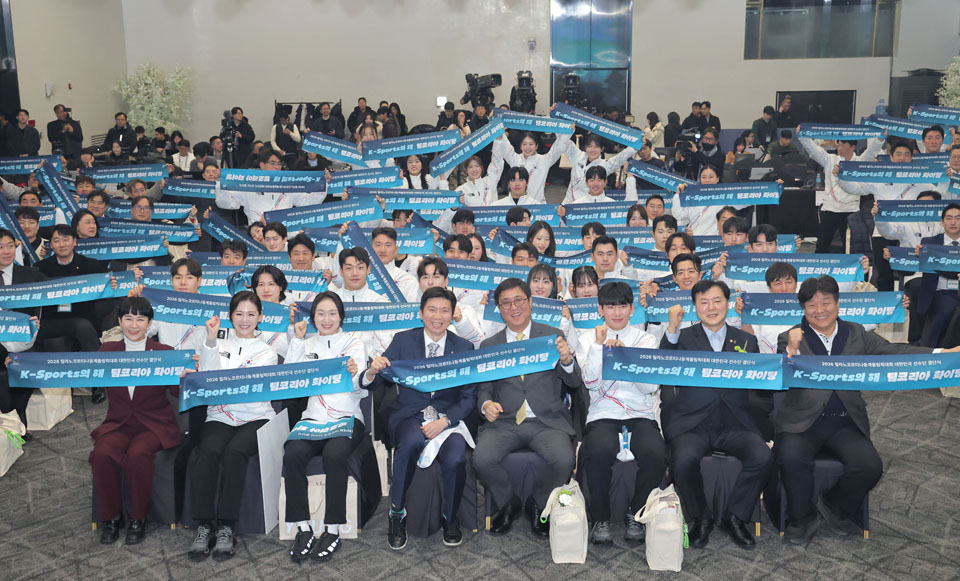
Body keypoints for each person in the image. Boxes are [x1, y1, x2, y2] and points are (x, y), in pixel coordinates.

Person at [775, 275, 958, 544]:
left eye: (826, 302)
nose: (820, 310)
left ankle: (834, 504)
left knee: (870, 467)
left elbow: (894, 352)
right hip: (802, 422)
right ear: (803, 308)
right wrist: (790, 350)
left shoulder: (856, 333)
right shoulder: (790, 337)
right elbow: (780, 373)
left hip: (843, 421)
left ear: (838, 303)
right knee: (791, 458)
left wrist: (943, 354)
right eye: (812, 305)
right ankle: (801, 518)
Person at [659, 280, 773, 550]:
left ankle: (735, 516)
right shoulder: (682, 338)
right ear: (695, 307)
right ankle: (701, 518)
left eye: (717, 301)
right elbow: (663, 365)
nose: (711, 307)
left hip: (735, 422)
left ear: (728, 303)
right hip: (693, 423)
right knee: (683, 460)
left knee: (762, 456)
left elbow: (760, 384)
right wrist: (672, 328)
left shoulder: (746, 340)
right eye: (704, 302)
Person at [364, 287, 477, 550]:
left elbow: (469, 396)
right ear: (421, 313)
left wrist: (446, 421)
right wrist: (372, 370)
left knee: (456, 457)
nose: (438, 316)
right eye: (432, 310)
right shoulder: (403, 340)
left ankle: (450, 516)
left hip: (447, 420)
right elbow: (379, 379)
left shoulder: (464, 347)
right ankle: (397, 512)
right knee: (410, 443)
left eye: (444, 311)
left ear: (452, 314)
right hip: (410, 415)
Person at [473, 278, 580, 537]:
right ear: (499, 309)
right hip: (505, 422)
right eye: (506, 303)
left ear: (530, 302)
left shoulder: (553, 336)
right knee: (481, 459)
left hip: (546, 421)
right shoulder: (490, 345)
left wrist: (566, 360)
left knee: (564, 459)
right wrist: (486, 404)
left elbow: (574, 382)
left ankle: (538, 502)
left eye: (519, 300)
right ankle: (508, 503)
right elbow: (484, 388)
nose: (514, 307)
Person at [188, 291, 279, 561]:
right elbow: (208, 377)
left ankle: (227, 526)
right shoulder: (217, 344)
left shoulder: (267, 352)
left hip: (255, 416)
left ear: (260, 317)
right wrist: (210, 340)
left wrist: (220, 383)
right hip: (220, 415)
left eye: (251, 314)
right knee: (208, 450)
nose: (245, 320)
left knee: (235, 452)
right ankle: (204, 524)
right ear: (230, 316)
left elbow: (246, 387)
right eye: (239, 314)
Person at [575, 282, 664, 544]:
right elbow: (591, 383)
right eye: (610, 306)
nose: (617, 312)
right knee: (598, 450)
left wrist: (625, 357)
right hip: (603, 412)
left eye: (623, 306)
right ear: (600, 309)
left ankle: (636, 513)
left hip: (640, 413)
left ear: (632, 309)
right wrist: (600, 347)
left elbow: (650, 387)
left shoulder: (646, 340)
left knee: (656, 453)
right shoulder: (587, 339)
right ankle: (600, 518)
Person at [283, 291, 367, 563]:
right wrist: (296, 340)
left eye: (332, 313)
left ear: (341, 316)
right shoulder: (306, 343)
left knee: (335, 454)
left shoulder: (354, 343)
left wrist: (355, 373)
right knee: (292, 453)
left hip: (347, 417)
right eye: (320, 313)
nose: (326, 319)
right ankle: (303, 528)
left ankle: (332, 529)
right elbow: (290, 381)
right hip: (313, 418)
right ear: (313, 317)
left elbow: (361, 389)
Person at [89, 297, 180, 545]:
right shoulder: (107, 352)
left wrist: (185, 375)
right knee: (102, 454)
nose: (134, 325)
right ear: (119, 321)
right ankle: (111, 518)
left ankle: (138, 519)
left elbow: (177, 392)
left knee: (139, 454)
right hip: (118, 423)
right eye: (128, 318)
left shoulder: (165, 353)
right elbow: (74, 372)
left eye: (140, 319)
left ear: (150, 324)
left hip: (153, 424)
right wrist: (21, 366)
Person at [837, 139, 942, 291]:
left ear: (911, 158)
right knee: (884, 274)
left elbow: (938, 196)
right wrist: (840, 176)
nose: (902, 157)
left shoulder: (921, 180)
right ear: (891, 157)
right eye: (898, 154)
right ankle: (887, 303)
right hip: (882, 232)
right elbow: (855, 188)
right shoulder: (880, 177)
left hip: (909, 234)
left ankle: (908, 300)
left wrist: (946, 178)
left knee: (908, 272)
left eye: (906, 154)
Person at [798, 127, 883, 254]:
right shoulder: (830, 159)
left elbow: (871, 152)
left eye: (843, 144)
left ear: (853, 147)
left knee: (849, 248)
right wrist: (802, 135)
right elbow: (813, 150)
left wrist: (880, 139)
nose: (839, 147)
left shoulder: (860, 162)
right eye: (839, 144)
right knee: (821, 246)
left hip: (851, 211)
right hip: (829, 210)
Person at [0, 228, 46, 435]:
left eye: (10, 245)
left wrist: (105, 282)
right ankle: (13, 423)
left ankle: (18, 417)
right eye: (0, 247)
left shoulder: (30, 274)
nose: (6, 251)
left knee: (27, 365)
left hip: (24, 340)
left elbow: (61, 288)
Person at [215, 148, 314, 225]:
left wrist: (321, 185)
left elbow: (308, 202)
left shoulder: (288, 186)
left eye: (279, 164)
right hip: (257, 237)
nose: (277, 167)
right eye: (272, 163)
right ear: (262, 165)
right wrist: (219, 183)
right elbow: (226, 203)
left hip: (283, 238)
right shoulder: (249, 186)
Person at [915, 203, 960, 348]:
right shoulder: (929, 243)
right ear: (942, 221)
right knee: (946, 310)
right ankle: (932, 350)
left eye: (958, 218)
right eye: (949, 218)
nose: (953, 222)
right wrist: (920, 256)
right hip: (941, 292)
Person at [492, 127, 573, 203]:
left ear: (536, 146)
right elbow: (505, 146)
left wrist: (569, 131)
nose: (527, 147)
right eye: (524, 144)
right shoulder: (515, 159)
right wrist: (499, 131)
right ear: (520, 146)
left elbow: (559, 146)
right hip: (517, 205)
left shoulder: (544, 160)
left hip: (537, 205)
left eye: (531, 144)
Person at [561, 133, 636, 203]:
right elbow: (564, 141)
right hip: (569, 202)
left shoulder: (605, 165)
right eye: (590, 146)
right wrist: (562, 127)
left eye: (596, 147)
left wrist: (637, 143)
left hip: (587, 205)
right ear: (585, 147)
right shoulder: (577, 156)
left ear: (602, 149)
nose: (592, 150)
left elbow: (621, 157)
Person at [673, 165, 746, 236]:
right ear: (700, 179)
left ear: (717, 179)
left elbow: (744, 202)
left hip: (713, 240)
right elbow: (678, 215)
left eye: (711, 177)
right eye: (704, 177)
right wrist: (677, 194)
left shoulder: (725, 197)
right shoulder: (693, 197)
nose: (707, 180)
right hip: (693, 239)